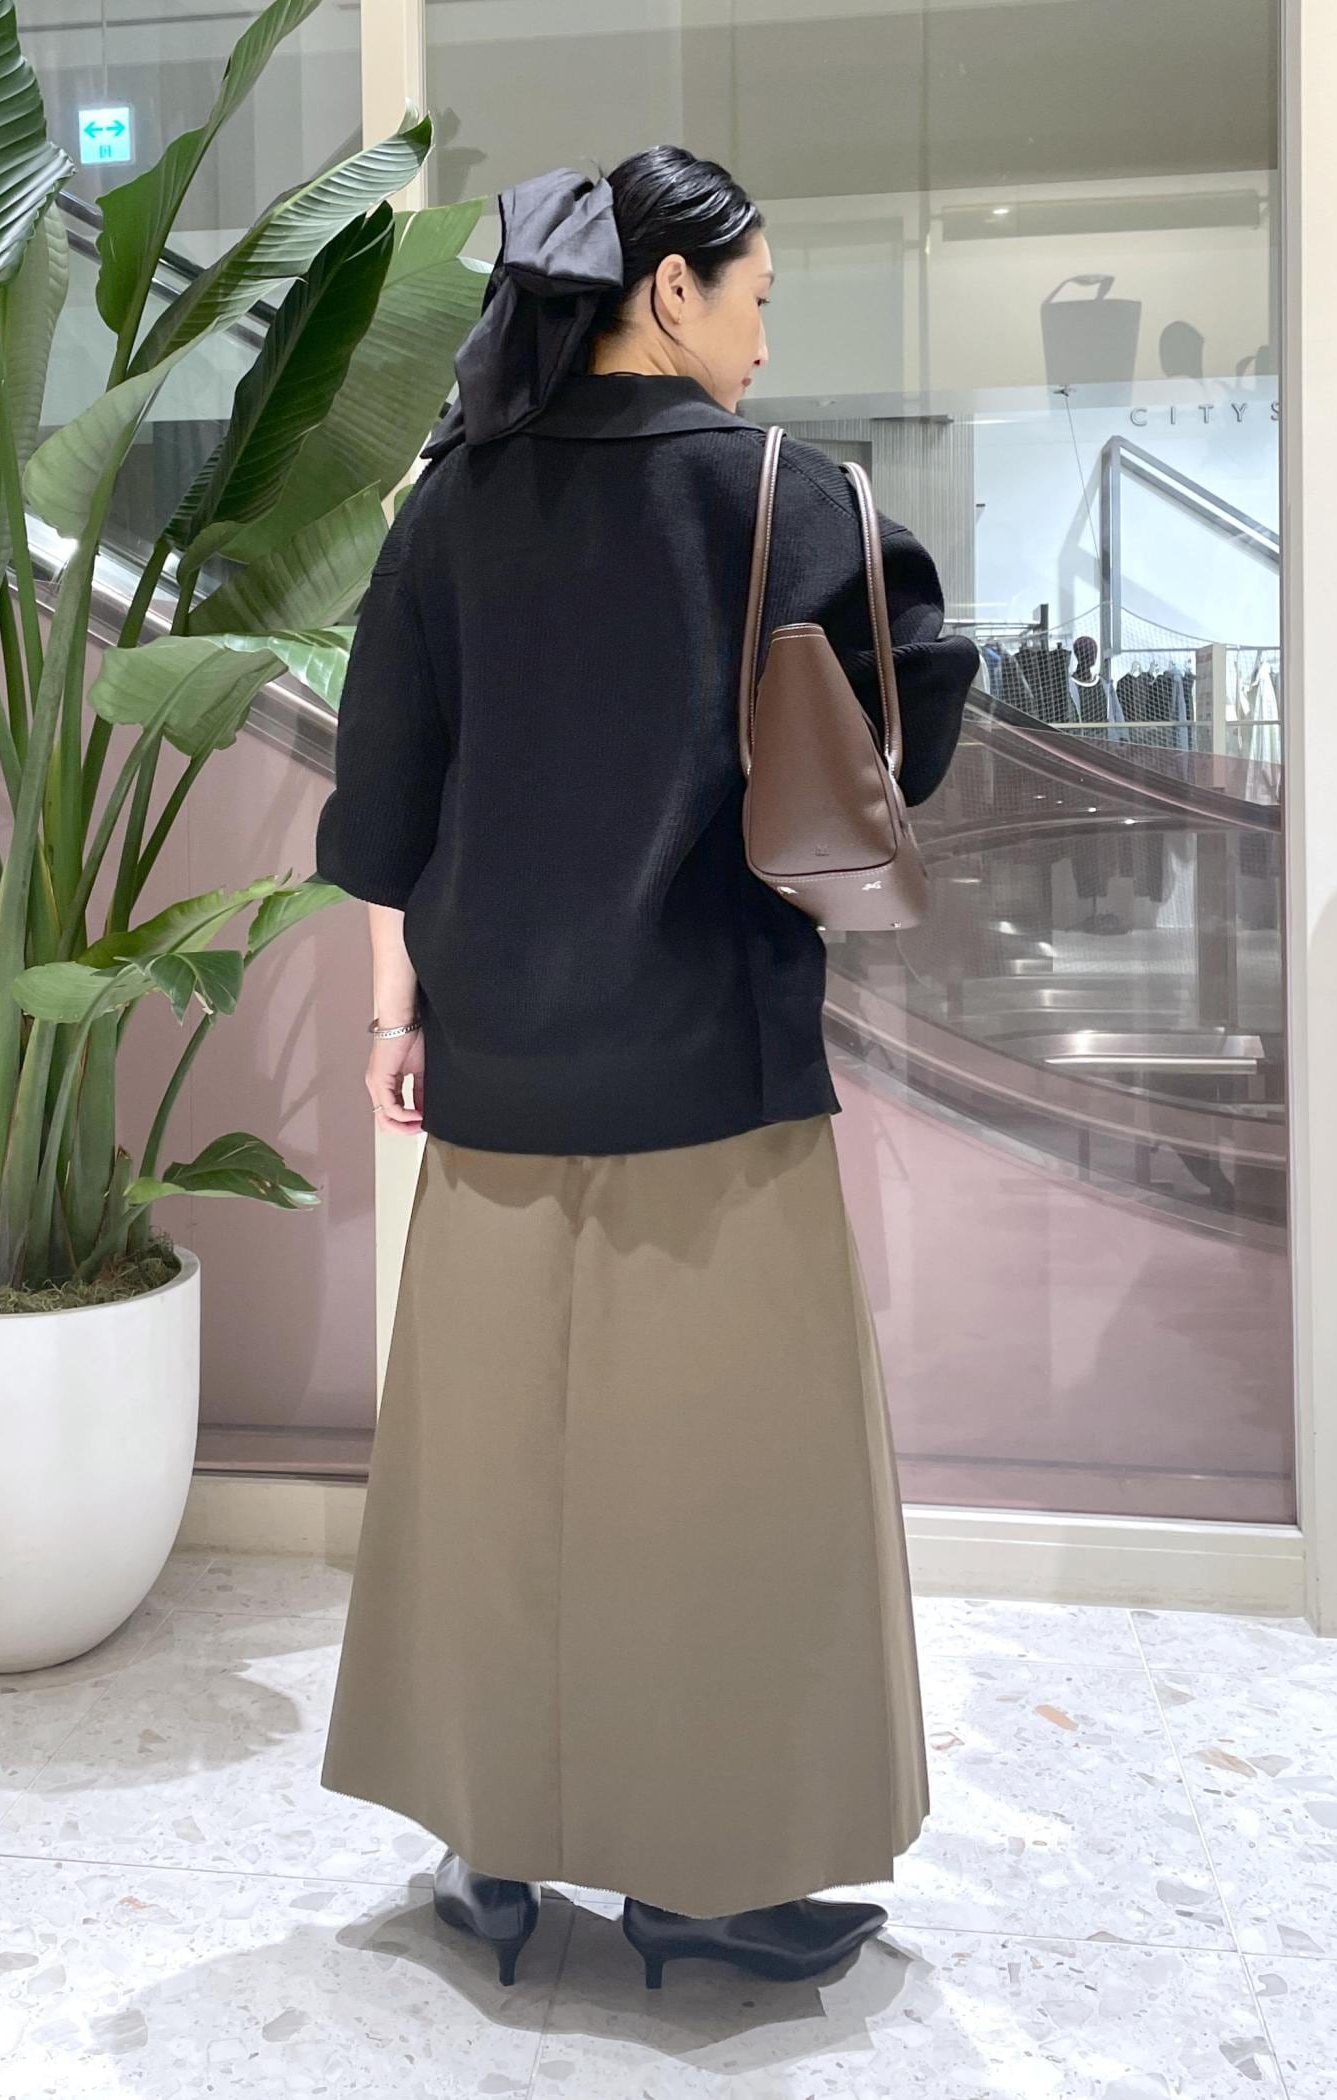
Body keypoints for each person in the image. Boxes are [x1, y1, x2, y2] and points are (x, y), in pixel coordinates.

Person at [313, 144, 980, 1993]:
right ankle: (705, 1880)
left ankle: (488, 1849)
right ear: (670, 292)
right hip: (715, 1075)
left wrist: (396, 1022)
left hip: (501, 1076)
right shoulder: (790, 496)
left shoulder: (451, 505)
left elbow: (382, 815)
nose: (763, 341)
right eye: (754, 299)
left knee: (490, 1481)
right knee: (724, 1496)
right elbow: (908, 737)